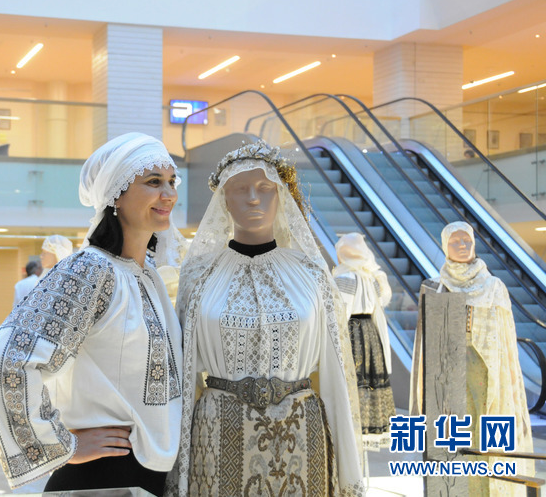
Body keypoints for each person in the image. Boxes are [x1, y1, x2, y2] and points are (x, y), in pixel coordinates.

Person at [0, 132, 185, 495]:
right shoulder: (90, 269)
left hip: (148, 472)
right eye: (153, 182)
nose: (168, 193)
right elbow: (9, 360)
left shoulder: (147, 274)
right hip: (103, 477)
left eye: (172, 181)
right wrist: (62, 445)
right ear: (116, 194)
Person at [170, 141, 364, 496]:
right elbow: (182, 372)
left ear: (281, 195)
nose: (253, 199)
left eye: (265, 188)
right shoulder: (199, 275)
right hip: (217, 433)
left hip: (300, 432)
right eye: (240, 189)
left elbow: (335, 369)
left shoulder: (311, 274)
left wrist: (348, 463)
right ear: (223, 199)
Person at [410, 221, 533, 496]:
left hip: (484, 370)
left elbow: (505, 339)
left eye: (467, 240)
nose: (462, 245)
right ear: (445, 246)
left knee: (483, 429)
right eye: (455, 241)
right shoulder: (434, 287)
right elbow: (426, 343)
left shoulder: (494, 287)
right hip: (446, 374)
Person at [333, 232, 395, 442]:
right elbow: (382, 301)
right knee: (369, 378)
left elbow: (340, 311)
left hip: (352, 330)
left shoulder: (344, 278)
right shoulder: (372, 277)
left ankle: (350, 425)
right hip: (370, 331)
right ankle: (367, 424)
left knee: (351, 377)